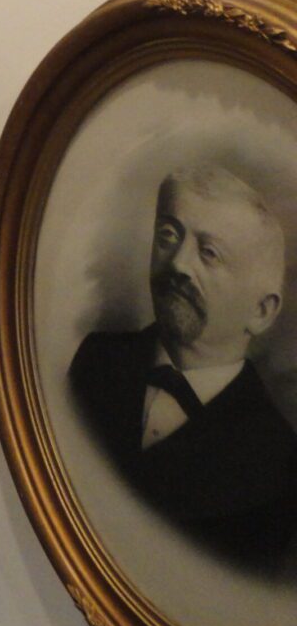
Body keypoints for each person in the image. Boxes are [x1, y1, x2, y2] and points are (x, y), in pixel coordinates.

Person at [69, 164, 297, 569]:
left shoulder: (278, 462)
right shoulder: (97, 361)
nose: (177, 264)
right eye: (168, 236)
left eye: (209, 253)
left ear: (262, 312)